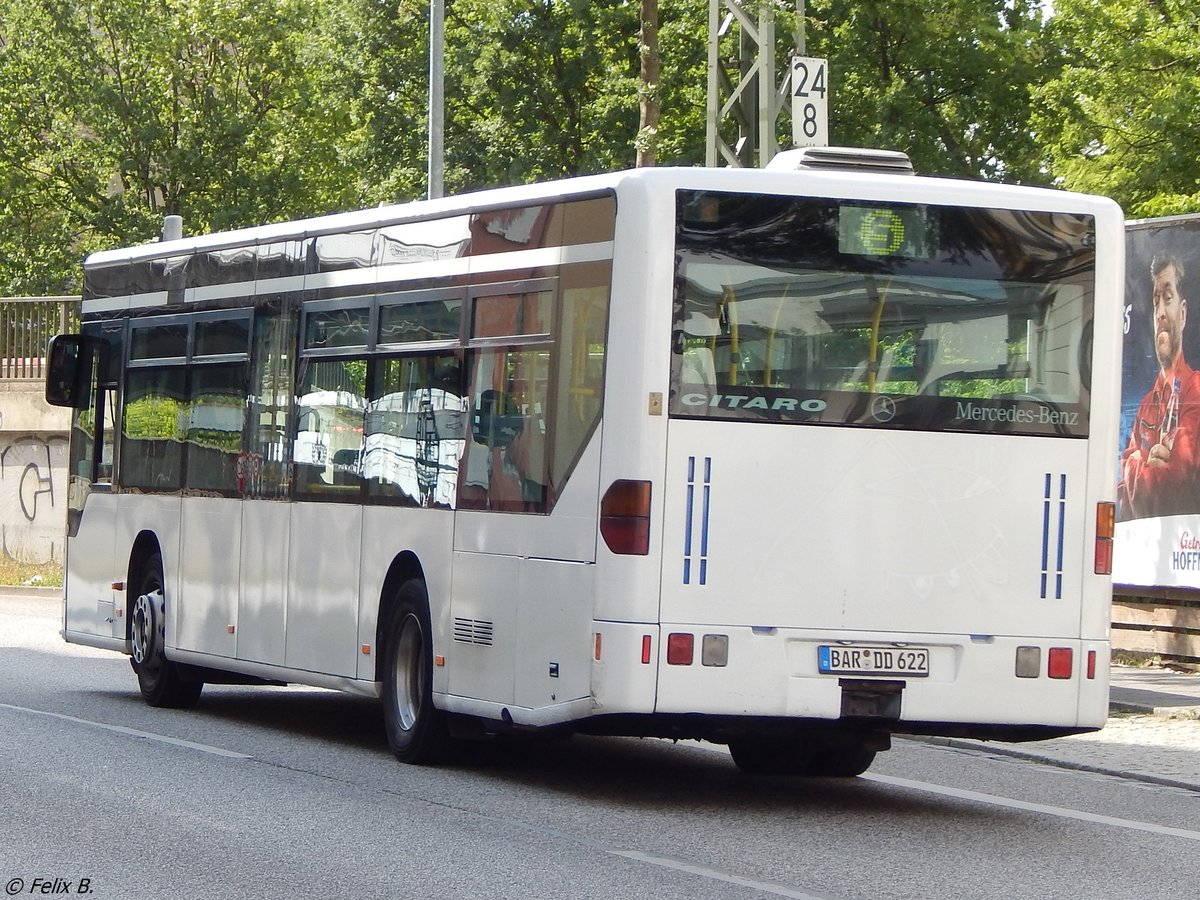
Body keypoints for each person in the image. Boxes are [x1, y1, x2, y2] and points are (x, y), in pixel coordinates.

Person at [1119, 253, 1200, 519]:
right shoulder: (1145, 405)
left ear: (1183, 312)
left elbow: (1171, 487)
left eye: (1167, 298)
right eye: (1156, 303)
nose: (1161, 312)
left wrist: (1136, 463)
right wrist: (1145, 463)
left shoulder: (1195, 390)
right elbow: (1123, 489)